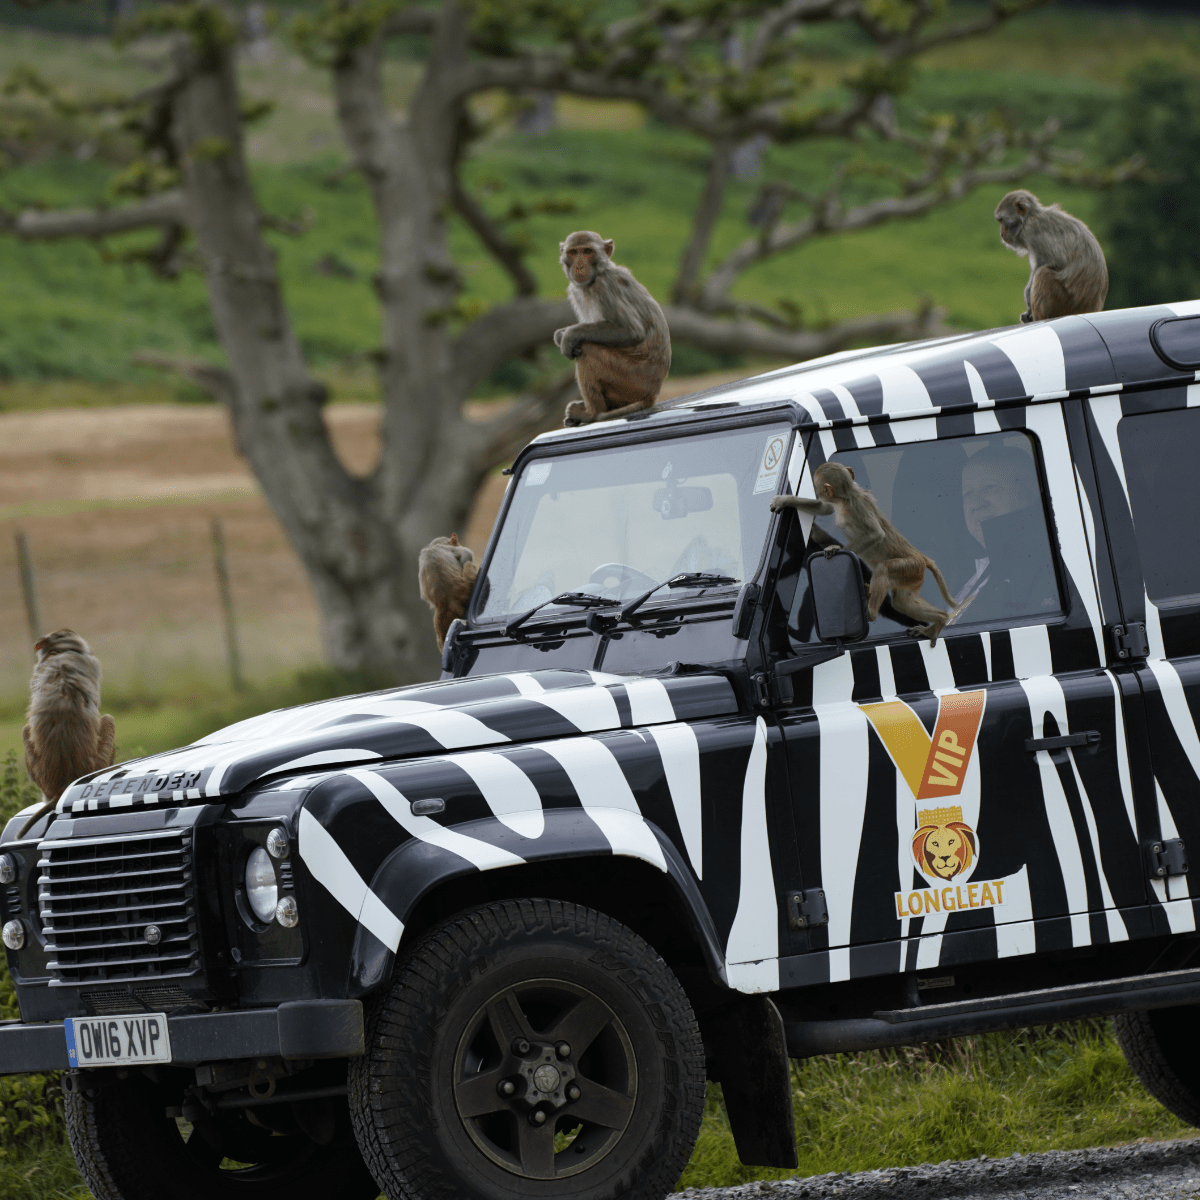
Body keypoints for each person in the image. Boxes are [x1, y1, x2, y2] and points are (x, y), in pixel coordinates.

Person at [955, 446, 1059, 622]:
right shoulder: (961, 572)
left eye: (990, 487)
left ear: (1029, 493)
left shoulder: (1044, 571)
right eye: (968, 493)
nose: (976, 503)